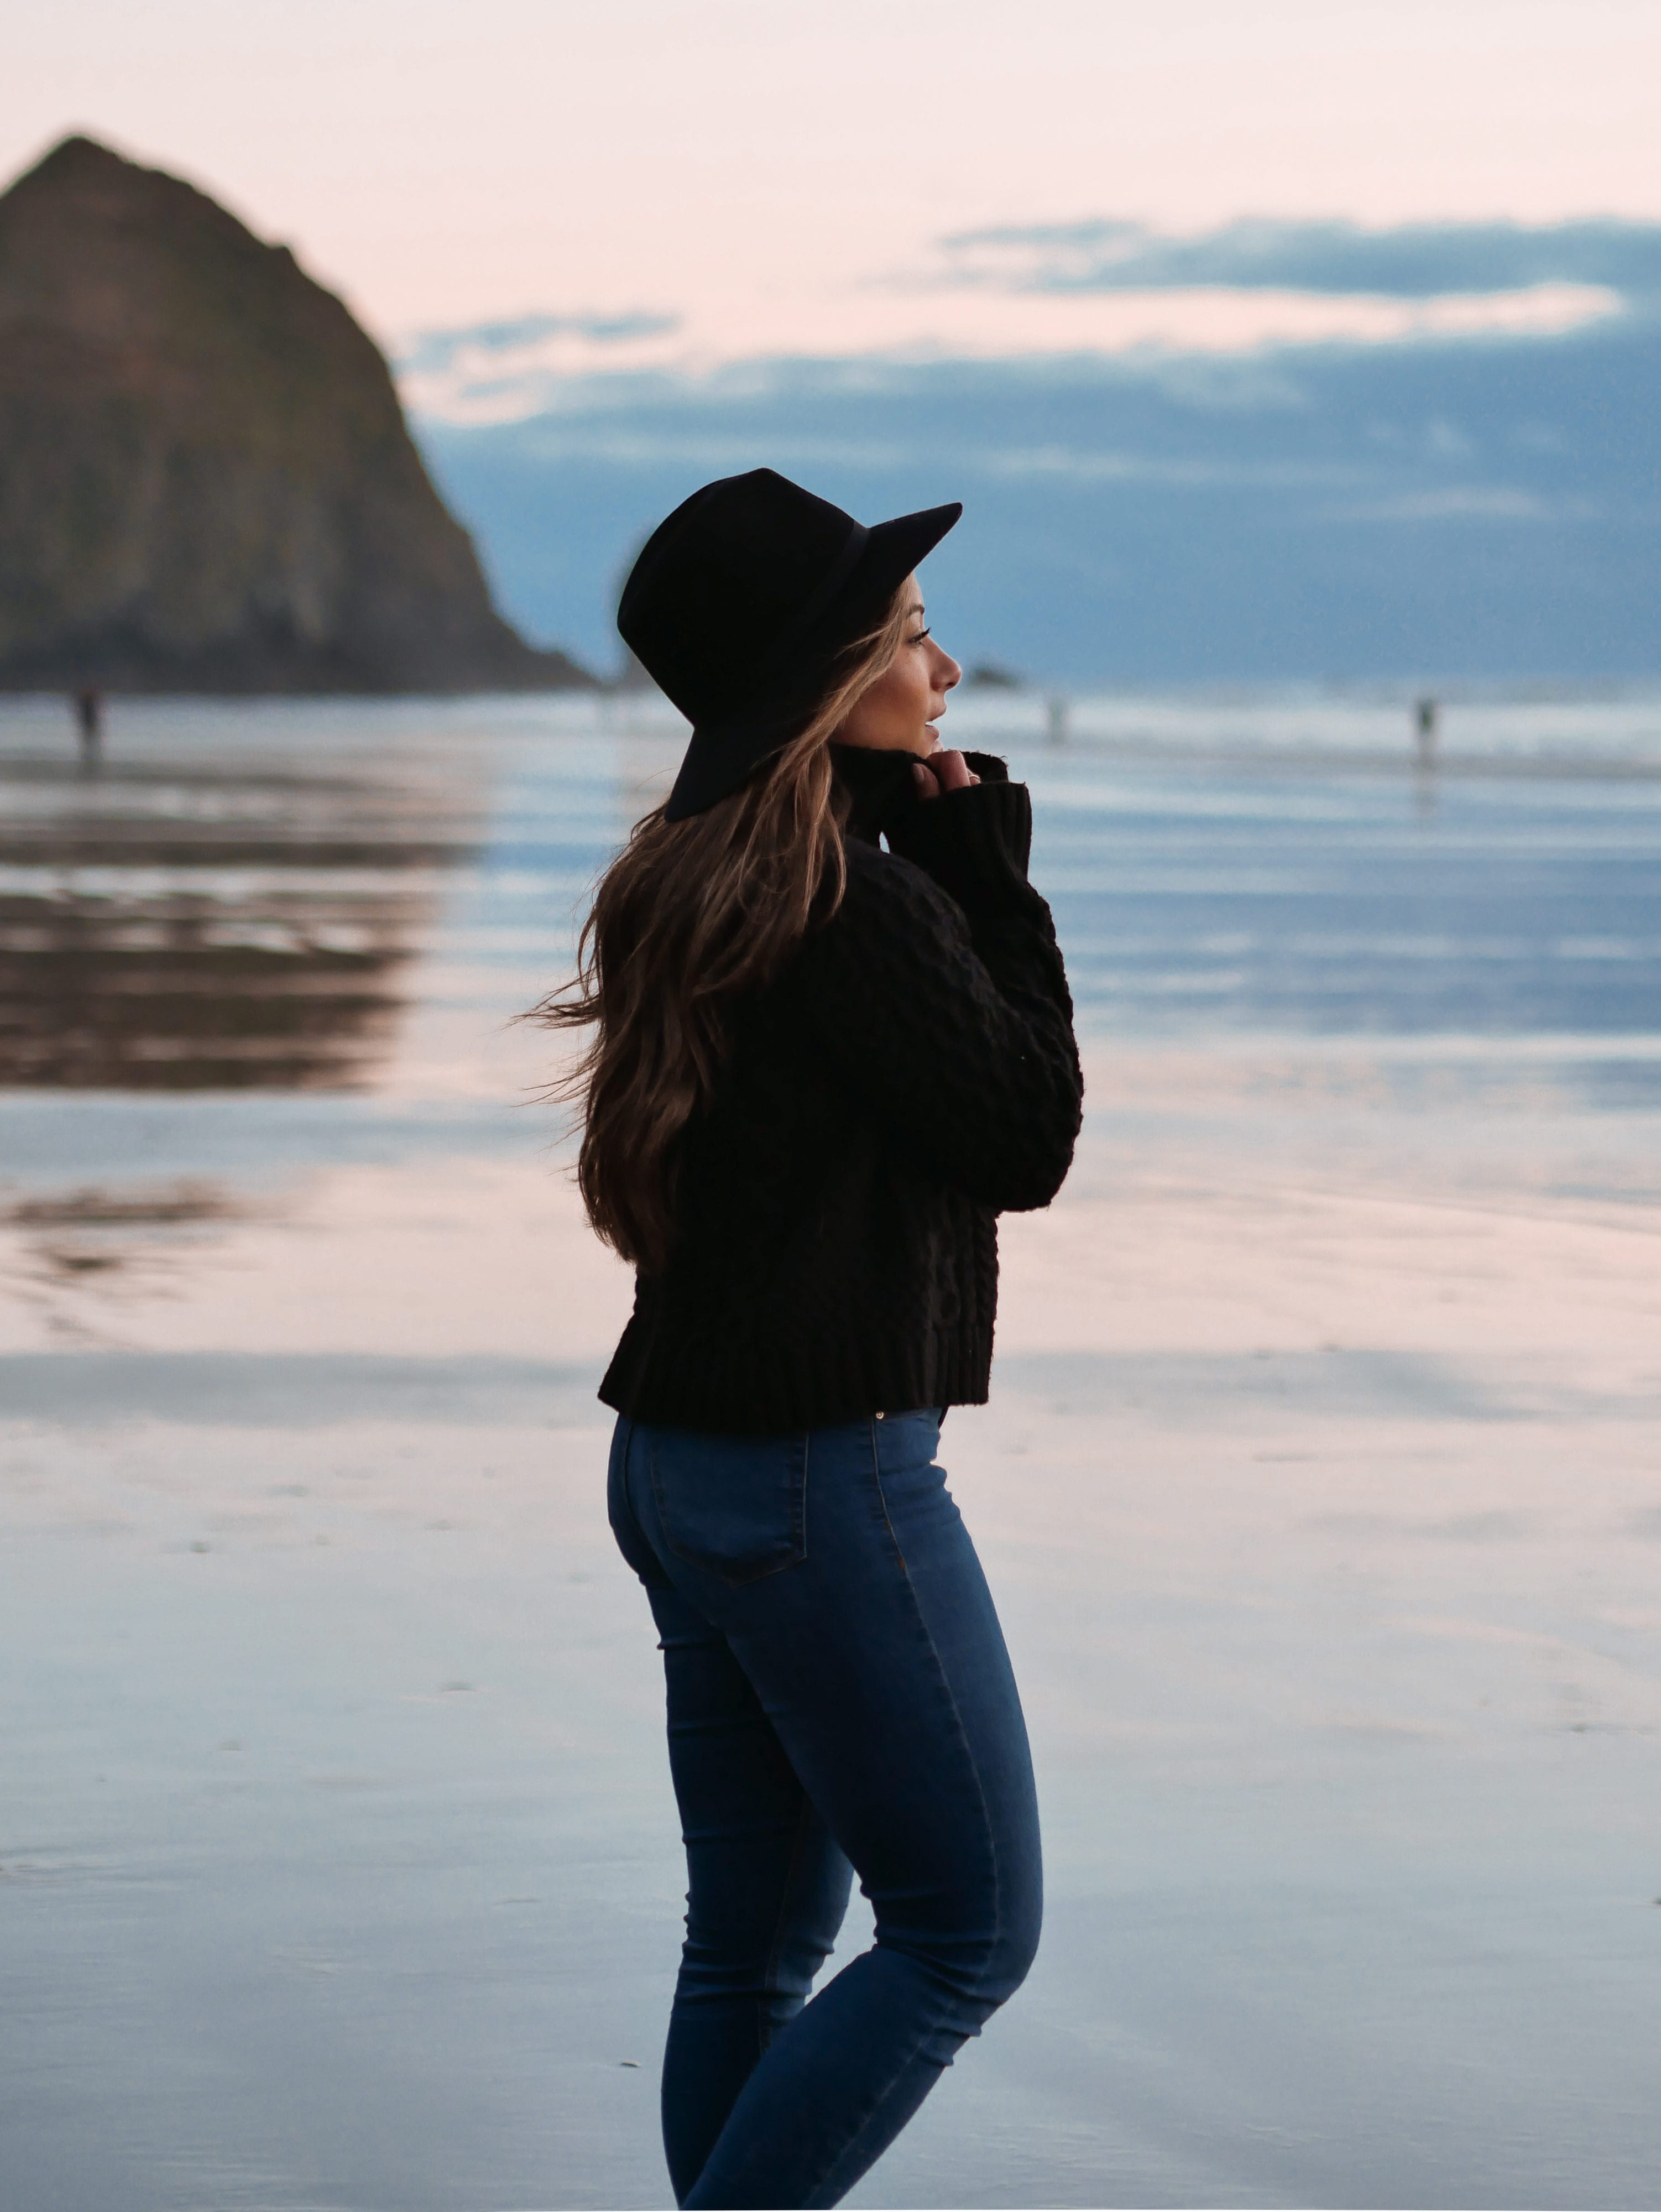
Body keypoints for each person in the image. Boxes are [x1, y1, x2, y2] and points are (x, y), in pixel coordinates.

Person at [536, 468, 1083, 2209]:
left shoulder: (700, 872)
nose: (944, 672)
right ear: (829, 672)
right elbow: (1022, 1137)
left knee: (754, 1950)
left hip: (686, 1465)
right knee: (963, 1933)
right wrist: (991, 882)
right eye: (913, 637)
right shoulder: (846, 897)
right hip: (812, 1474)